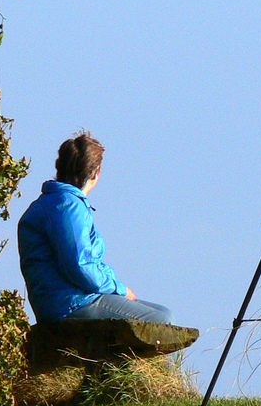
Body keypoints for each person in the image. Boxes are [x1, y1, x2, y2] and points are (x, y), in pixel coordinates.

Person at [17, 130, 174, 326]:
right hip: (71, 303)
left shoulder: (52, 203)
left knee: (161, 312)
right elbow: (79, 266)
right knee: (162, 320)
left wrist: (115, 287)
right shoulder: (68, 206)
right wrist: (120, 289)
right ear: (96, 171)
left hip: (59, 302)